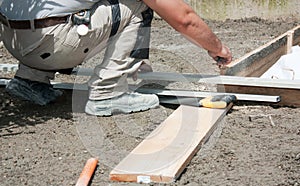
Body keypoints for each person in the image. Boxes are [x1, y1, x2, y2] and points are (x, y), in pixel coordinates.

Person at [0, 0, 232, 116]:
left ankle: (30, 80)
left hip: (14, 40)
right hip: (53, 42)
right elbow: (184, 19)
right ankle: (107, 93)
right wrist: (217, 47)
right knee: (138, 6)